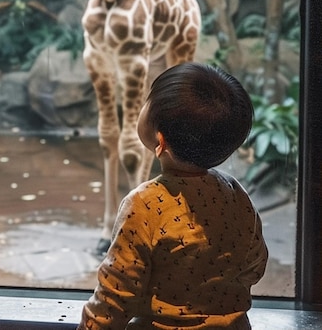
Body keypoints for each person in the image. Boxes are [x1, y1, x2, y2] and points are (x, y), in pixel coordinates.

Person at [78, 62, 268, 330]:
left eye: (147, 101)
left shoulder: (143, 205)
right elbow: (255, 266)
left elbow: (116, 292)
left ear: (160, 142)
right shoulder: (237, 194)